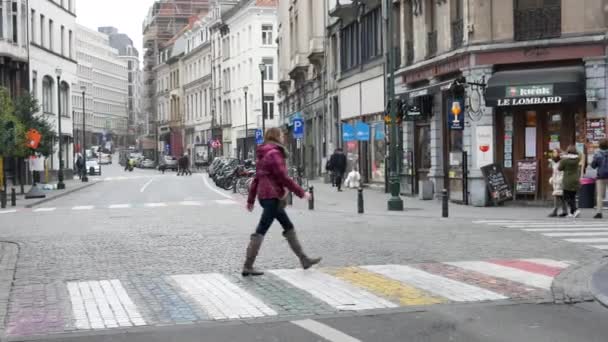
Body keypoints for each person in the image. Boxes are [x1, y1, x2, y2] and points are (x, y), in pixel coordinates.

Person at [243, 127, 321, 276]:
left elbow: (256, 179)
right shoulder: (274, 154)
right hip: (272, 197)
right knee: (262, 229)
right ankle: (247, 265)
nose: (283, 137)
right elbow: (284, 178)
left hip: (266, 196)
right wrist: (301, 193)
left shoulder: (263, 153)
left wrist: (251, 200)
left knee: (287, 225)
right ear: (276, 137)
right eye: (281, 135)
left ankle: (304, 259)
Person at [559, 145, 582, 218]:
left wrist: (564, 155)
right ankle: (572, 213)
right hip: (575, 179)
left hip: (568, 179)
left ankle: (575, 209)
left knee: (566, 196)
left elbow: (560, 168)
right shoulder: (578, 159)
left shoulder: (564, 160)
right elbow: (580, 154)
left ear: (568, 151)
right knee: (572, 196)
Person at [591, 139, 608, 219]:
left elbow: (593, 166)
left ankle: (599, 213)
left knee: (599, 195)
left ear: (599, 146)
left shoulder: (597, 154)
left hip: (601, 176)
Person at [548, 148, 567, 217]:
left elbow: (563, 170)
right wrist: (551, 161)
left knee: (556, 194)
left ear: (559, 153)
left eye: (555, 152)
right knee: (561, 196)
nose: (554, 153)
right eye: (553, 152)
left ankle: (555, 210)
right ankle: (565, 211)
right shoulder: (553, 161)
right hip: (555, 179)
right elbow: (550, 168)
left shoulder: (562, 160)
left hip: (561, 179)